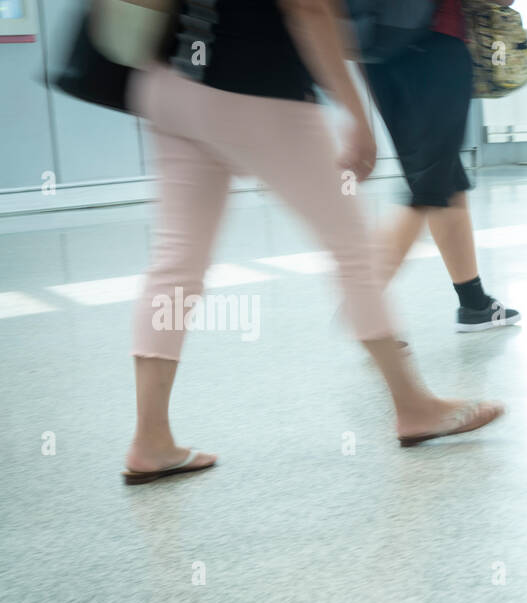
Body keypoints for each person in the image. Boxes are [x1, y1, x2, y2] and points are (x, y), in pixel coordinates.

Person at [122, 0, 503, 485]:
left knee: (175, 263)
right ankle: (414, 406)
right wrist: (356, 114)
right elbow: (310, 7)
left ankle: (151, 438)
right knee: (351, 249)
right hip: (257, 88)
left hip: (170, 82)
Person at [362, 0, 521, 333]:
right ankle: (360, 306)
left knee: (446, 179)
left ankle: (474, 303)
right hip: (437, 47)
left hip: (379, 53)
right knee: (428, 189)